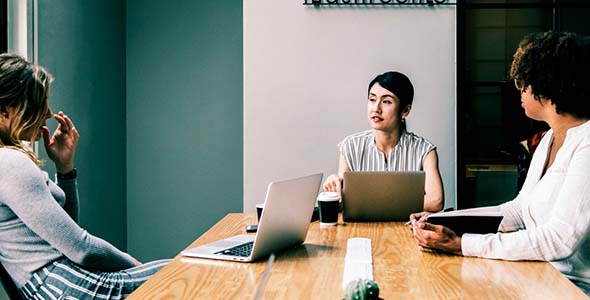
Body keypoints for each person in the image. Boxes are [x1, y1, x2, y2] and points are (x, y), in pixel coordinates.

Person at [410, 31, 590, 295]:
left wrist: (462, 244)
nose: (519, 90)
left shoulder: (587, 143)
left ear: (546, 85)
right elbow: (517, 211)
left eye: (523, 83)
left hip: (573, 288)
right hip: (539, 275)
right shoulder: (550, 137)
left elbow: (560, 240)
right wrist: (444, 219)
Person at [0, 53, 170, 299]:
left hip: (59, 285)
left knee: (193, 272)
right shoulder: (10, 163)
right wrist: (134, 264)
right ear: (4, 111)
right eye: (38, 104)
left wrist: (65, 168)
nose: (48, 113)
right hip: (66, 285)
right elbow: (81, 247)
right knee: (191, 271)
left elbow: (64, 234)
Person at [323, 71, 444, 212]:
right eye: (372, 99)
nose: (376, 108)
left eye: (386, 101)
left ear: (405, 111)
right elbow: (343, 202)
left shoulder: (424, 150)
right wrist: (333, 186)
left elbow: (436, 201)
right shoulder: (350, 146)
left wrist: (372, 203)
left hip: (407, 230)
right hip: (361, 231)